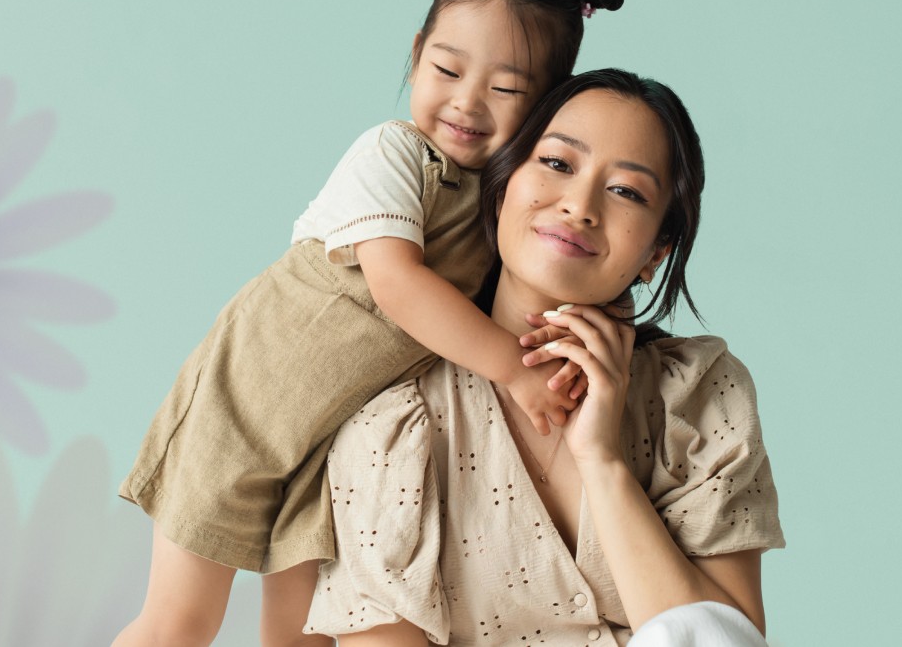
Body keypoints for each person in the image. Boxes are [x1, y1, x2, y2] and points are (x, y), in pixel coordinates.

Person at [112, 0, 626, 647]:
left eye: (506, 88)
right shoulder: (393, 155)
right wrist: (516, 370)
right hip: (245, 407)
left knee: (302, 636)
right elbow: (396, 285)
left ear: (548, 106)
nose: (467, 103)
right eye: (447, 71)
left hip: (330, 447)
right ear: (416, 57)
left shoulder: (509, 208)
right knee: (180, 622)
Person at [305, 69, 786, 646]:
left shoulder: (699, 394)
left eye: (627, 192)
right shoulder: (393, 424)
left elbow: (729, 642)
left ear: (656, 251)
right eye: (557, 163)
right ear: (502, 187)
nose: (580, 206)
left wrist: (603, 462)